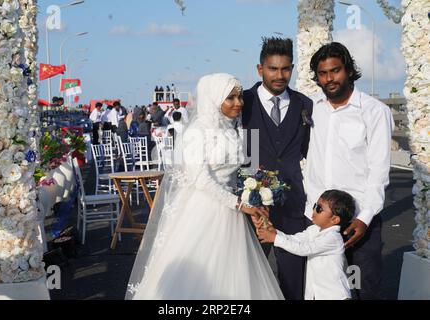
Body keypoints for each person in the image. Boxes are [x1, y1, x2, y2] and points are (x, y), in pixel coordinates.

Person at [126, 73, 284, 300]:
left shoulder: (234, 129)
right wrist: (239, 204)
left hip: (233, 212)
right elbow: (200, 179)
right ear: (213, 99)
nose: (238, 103)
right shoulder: (196, 132)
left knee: (233, 276)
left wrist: (256, 195)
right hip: (203, 210)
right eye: (230, 98)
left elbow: (245, 170)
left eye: (239, 97)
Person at [304, 42, 394, 300]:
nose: (329, 78)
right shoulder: (313, 108)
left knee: (363, 288)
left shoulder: (375, 111)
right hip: (318, 221)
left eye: (336, 70)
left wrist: (364, 219)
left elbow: (379, 171)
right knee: (321, 290)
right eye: (322, 73)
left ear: (349, 70)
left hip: (356, 220)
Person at [242, 37, 313, 300]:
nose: (280, 75)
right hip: (253, 207)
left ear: (292, 68)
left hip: (294, 203)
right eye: (273, 68)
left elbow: (309, 151)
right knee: (249, 277)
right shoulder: (242, 103)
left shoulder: (305, 104)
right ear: (260, 69)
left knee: (294, 279)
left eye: (285, 69)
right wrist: (247, 196)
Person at [255, 189, 355, 300]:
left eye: (319, 209)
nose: (314, 210)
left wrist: (275, 239)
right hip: (318, 295)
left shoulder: (333, 238)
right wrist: (275, 232)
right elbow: (296, 239)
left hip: (335, 295)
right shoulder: (314, 229)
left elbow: (304, 249)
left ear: (335, 219)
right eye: (315, 205)